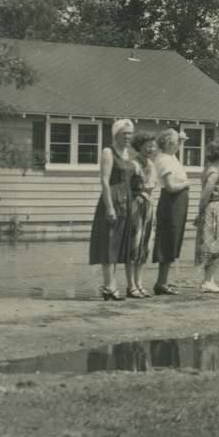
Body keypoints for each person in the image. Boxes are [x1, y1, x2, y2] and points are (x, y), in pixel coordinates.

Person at [89, 119, 140, 301]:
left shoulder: (129, 154)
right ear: (116, 134)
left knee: (119, 245)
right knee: (109, 244)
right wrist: (109, 206)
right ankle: (109, 284)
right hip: (112, 201)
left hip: (126, 202)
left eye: (130, 133)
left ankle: (111, 285)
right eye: (124, 133)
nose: (128, 136)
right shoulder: (108, 152)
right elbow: (104, 180)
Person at [151, 128, 191, 295]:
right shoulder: (164, 160)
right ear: (169, 144)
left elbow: (178, 141)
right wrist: (186, 184)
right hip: (171, 201)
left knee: (174, 239)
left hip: (178, 203)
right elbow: (171, 186)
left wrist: (180, 137)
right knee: (168, 239)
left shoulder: (170, 156)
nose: (178, 145)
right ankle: (160, 283)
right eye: (175, 143)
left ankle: (164, 281)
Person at [125, 132, 159, 298]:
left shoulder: (151, 165)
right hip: (135, 206)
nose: (152, 148)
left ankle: (139, 283)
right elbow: (127, 188)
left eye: (153, 145)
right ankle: (131, 285)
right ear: (140, 146)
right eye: (149, 145)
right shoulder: (133, 165)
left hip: (148, 206)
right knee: (134, 245)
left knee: (145, 246)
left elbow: (151, 187)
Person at [194, 139, 219, 294]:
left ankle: (209, 280)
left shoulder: (208, 169)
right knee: (215, 243)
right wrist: (200, 212)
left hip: (212, 210)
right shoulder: (214, 173)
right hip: (214, 210)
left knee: (212, 243)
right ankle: (207, 281)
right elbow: (205, 196)